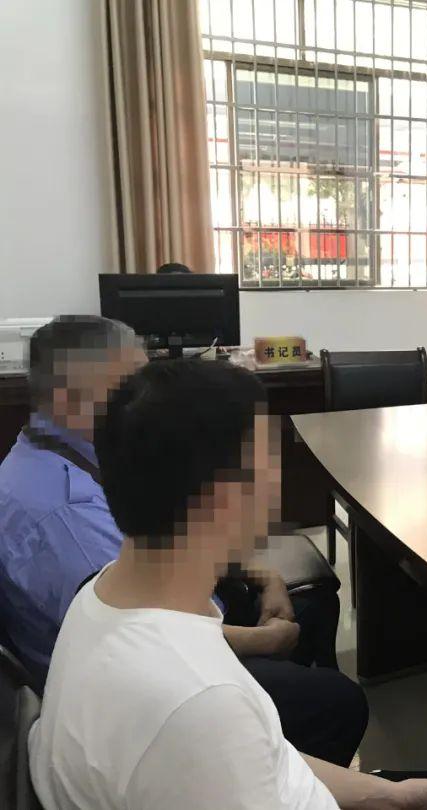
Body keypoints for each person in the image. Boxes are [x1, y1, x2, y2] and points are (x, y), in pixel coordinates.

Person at [27, 359, 427, 810]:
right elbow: (225, 742)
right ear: (224, 498)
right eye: (269, 460)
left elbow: (264, 759)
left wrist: (389, 795)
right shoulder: (199, 705)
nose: (278, 482)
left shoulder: (102, 598)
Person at [0, 316, 366, 766]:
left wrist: (262, 573)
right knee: (339, 702)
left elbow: (163, 539)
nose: (152, 401)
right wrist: (265, 641)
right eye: (132, 388)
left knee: (311, 605)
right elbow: (147, 637)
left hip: (177, 626)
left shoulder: (67, 454)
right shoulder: (64, 513)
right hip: (143, 694)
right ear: (68, 400)